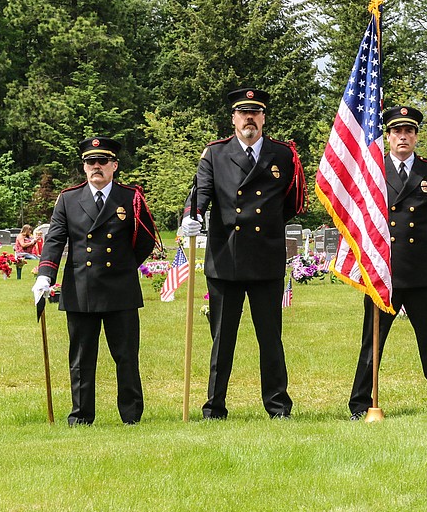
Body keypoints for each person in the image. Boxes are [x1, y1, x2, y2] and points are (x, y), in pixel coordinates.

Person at [181, 88, 307, 420]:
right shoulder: (215, 154)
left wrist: (267, 225)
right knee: (222, 339)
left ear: (264, 118)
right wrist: (191, 217)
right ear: (234, 118)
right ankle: (214, 406)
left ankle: (278, 405)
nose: (249, 118)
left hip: (265, 258)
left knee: (270, 337)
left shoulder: (283, 155)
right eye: (243, 112)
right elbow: (201, 192)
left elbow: (292, 203)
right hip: (227, 259)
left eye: (255, 112)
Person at [31, 137, 160, 425]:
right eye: (91, 162)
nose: (96, 167)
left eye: (102, 162)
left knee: (126, 357)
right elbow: (55, 240)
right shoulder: (69, 198)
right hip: (81, 289)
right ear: (84, 167)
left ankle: (131, 415)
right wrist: (44, 275)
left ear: (114, 166)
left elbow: (146, 240)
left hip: (120, 290)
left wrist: (125, 267)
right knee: (81, 359)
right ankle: (81, 415)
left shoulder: (130, 198)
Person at [349, 105, 427, 420]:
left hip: (422, 270)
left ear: (415, 136)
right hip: (384, 272)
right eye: (397, 131)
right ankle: (360, 403)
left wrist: (419, 250)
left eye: (408, 131)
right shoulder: (374, 170)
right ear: (387, 137)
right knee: (372, 342)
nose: (403, 137)